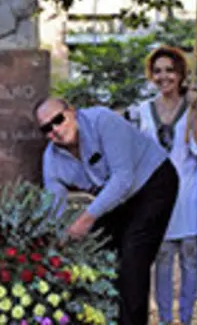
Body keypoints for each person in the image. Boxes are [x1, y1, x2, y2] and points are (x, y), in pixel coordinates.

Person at [34, 97, 178, 325]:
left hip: (152, 183)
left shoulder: (103, 120)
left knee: (132, 261)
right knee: (101, 255)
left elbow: (123, 179)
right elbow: (54, 206)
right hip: (115, 198)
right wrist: (56, 240)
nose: (55, 130)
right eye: (46, 128)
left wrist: (86, 219)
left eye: (58, 120)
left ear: (72, 111)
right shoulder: (51, 160)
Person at [137, 46, 197, 325]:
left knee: (190, 261)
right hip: (157, 198)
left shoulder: (196, 104)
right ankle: (166, 318)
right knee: (163, 262)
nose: (164, 76)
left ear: (180, 74)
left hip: (189, 194)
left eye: (170, 70)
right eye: (158, 71)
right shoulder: (143, 110)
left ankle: (187, 317)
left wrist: (194, 110)